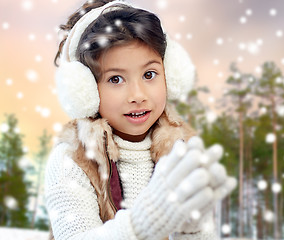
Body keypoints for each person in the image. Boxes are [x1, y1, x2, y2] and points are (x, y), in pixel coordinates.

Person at [44, 0, 236, 239]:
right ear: (86, 90)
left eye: (149, 74)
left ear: (170, 74)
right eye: (115, 79)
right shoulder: (72, 159)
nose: (137, 95)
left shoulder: (180, 152)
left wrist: (192, 229)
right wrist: (142, 224)